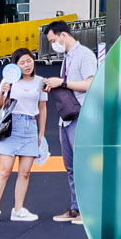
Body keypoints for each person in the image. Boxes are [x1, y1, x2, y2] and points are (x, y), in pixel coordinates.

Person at [41, 21, 97, 223]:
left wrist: (62, 83)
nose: (53, 45)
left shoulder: (85, 55)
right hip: (66, 117)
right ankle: (76, 207)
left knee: (83, 164)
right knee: (71, 165)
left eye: (53, 40)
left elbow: (91, 84)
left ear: (63, 35)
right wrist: (55, 84)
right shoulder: (67, 57)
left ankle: (89, 210)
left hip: (81, 114)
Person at [0, 47, 48, 221]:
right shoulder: (9, 81)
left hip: (30, 126)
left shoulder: (40, 81)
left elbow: (42, 107)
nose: (27, 65)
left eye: (29, 61)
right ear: (15, 66)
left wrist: (41, 132)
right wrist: (3, 91)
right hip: (11, 125)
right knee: (4, 170)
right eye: (22, 62)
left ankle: (18, 209)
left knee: (25, 172)